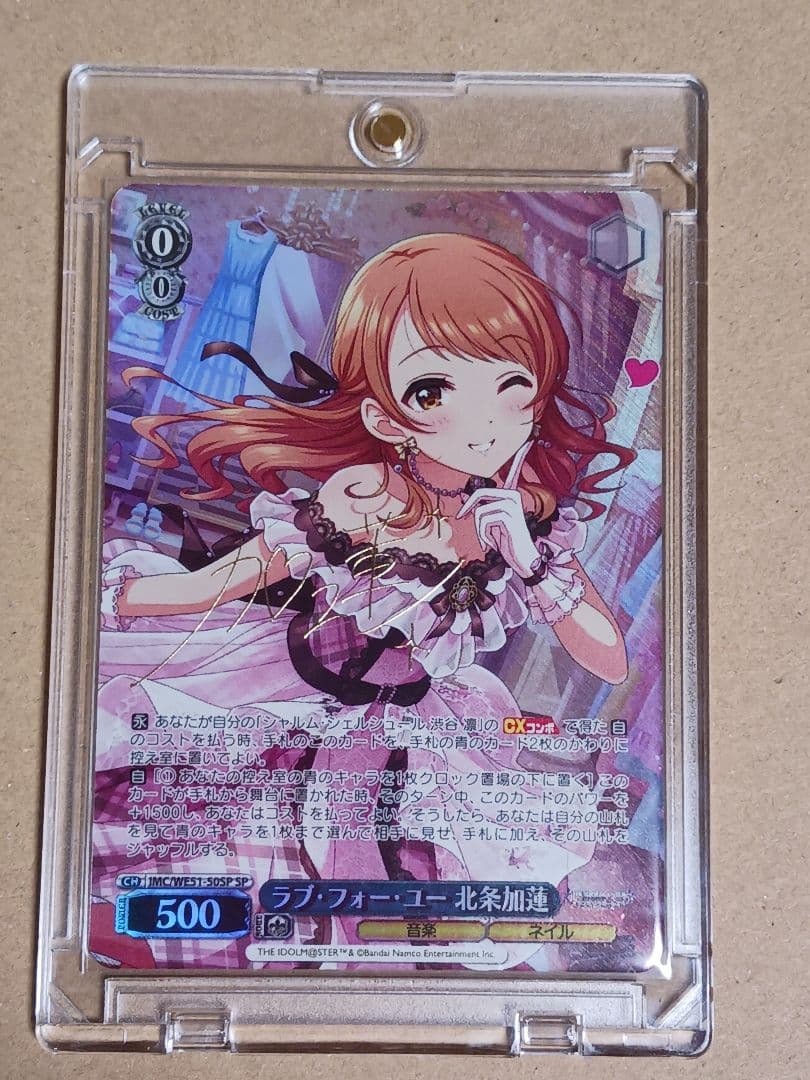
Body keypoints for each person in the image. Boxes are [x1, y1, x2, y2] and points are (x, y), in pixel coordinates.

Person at [94, 232, 634, 968]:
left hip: (416, 725)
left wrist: (530, 563)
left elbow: (608, 659)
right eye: (433, 390)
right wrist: (126, 601)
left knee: (385, 875)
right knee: (219, 830)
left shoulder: (528, 517)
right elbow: (245, 570)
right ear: (385, 418)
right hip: (288, 688)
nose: (485, 420)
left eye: (512, 383)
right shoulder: (363, 494)